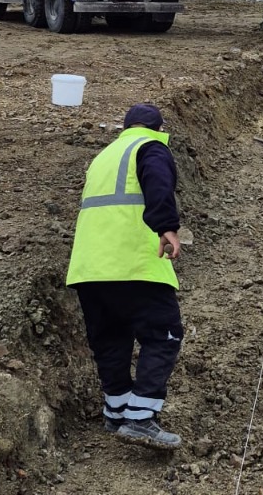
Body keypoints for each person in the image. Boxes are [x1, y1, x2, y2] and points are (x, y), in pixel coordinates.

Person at [66, 102, 185, 450]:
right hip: (133, 264)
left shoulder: (103, 156)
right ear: (158, 129)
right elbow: (158, 184)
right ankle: (141, 418)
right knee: (163, 334)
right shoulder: (151, 147)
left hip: (89, 268)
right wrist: (167, 227)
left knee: (110, 339)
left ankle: (116, 412)